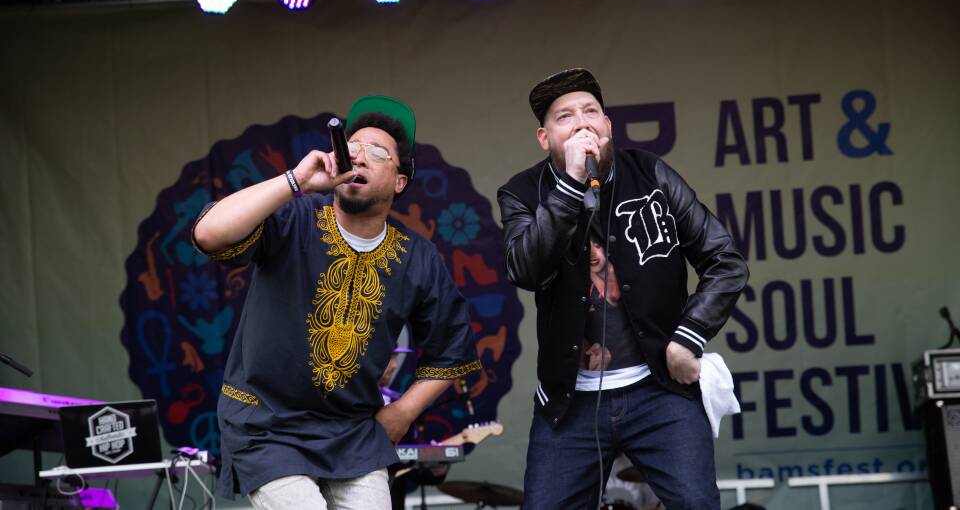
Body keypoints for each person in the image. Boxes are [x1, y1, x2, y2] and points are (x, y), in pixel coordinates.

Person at [192, 95, 481, 509]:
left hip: (352, 432)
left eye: (377, 152)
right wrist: (295, 181)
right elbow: (209, 234)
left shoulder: (417, 258)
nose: (359, 158)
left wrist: (400, 414)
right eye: (352, 148)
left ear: (400, 181)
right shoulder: (293, 219)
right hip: (265, 424)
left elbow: (453, 351)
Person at [497, 69, 749, 510]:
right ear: (544, 137)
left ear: (608, 125)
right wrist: (570, 185)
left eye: (591, 112)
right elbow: (526, 270)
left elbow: (725, 261)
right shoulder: (521, 193)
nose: (581, 123)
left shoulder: (651, 173)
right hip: (568, 403)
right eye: (565, 117)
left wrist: (687, 339)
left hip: (660, 390)